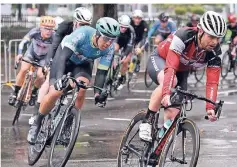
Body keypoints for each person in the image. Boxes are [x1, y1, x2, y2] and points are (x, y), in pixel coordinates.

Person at [27, 18, 120, 144]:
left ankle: (68, 125)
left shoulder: (109, 50)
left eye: (112, 40)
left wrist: (98, 94)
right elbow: (62, 57)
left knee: (82, 88)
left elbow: (101, 73)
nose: (108, 43)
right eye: (106, 38)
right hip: (65, 59)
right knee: (55, 92)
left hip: (83, 64)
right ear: (97, 34)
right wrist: (59, 79)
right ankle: (37, 123)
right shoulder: (82, 34)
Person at [139, 11, 226, 146]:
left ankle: (156, 156)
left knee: (173, 114)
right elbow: (171, 67)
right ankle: (147, 121)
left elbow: (212, 83)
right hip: (161, 60)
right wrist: (167, 93)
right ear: (201, 31)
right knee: (171, 83)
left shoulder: (214, 53)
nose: (215, 42)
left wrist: (210, 106)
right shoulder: (184, 36)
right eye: (211, 36)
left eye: (218, 38)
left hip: (181, 71)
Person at [29, 7, 93, 125]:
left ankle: (69, 118)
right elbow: (54, 45)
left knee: (77, 85)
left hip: (76, 61)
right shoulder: (65, 26)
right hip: (61, 55)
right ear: (75, 22)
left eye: (87, 25)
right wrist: (48, 63)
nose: (84, 28)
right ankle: (36, 113)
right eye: (81, 24)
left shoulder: (89, 33)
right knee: (48, 82)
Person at [8, 16, 55, 107]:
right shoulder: (35, 31)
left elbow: (55, 51)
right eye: (46, 28)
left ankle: (34, 93)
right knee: (24, 69)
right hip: (31, 53)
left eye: (51, 29)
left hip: (43, 58)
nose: (49, 31)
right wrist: (19, 54)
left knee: (41, 76)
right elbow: (22, 43)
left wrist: (50, 62)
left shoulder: (54, 36)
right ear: (41, 27)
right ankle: (15, 92)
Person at [114, 14, 136, 90]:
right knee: (114, 49)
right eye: (121, 26)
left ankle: (122, 77)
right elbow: (114, 39)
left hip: (128, 44)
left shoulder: (131, 30)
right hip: (119, 41)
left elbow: (130, 45)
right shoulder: (116, 27)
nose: (123, 29)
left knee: (125, 61)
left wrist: (124, 55)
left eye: (125, 27)